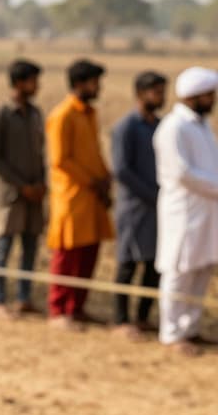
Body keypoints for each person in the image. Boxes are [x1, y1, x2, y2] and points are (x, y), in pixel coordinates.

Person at [153, 66, 218, 356]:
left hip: (207, 211)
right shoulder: (173, 127)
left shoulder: (201, 126)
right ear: (196, 96)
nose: (213, 100)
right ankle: (171, 332)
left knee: (201, 269)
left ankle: (189, 329)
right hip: (184, 212)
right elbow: (181, 173)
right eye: (209, 95)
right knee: (178, 271)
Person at [46, 59, 114, 330]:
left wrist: (106, 177)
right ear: (79, 84)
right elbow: (60, 159)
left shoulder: (89, 114)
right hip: (72, 196)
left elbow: (93, 151)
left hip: (93, 195)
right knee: (67, 254)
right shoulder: (62, 115)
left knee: (89, 252)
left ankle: (77, 307)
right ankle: (58, 309)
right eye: (95, 82)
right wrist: (91, 181)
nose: (99, 87)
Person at [0, 59, 46, 317]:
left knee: (30, 248)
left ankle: (24, 297)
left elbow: (40, 152)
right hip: (10, 195)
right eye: (33, 80)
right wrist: (22, 186)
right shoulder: (1, 115)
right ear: (20, 83)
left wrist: (41, 184)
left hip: (35, 193)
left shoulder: (35, 114)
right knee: (3, 248)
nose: (37, 86)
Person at [111, 71, 167, 336]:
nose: (161, 97)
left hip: (159, 206)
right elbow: (121, 169)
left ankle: (143, 317)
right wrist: (150, 194)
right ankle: (121, 320)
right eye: (156, 92)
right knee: (127, 262)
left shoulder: (161, 126)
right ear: (141, 94)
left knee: (154, 264)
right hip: (134, 207)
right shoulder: (126, 127)